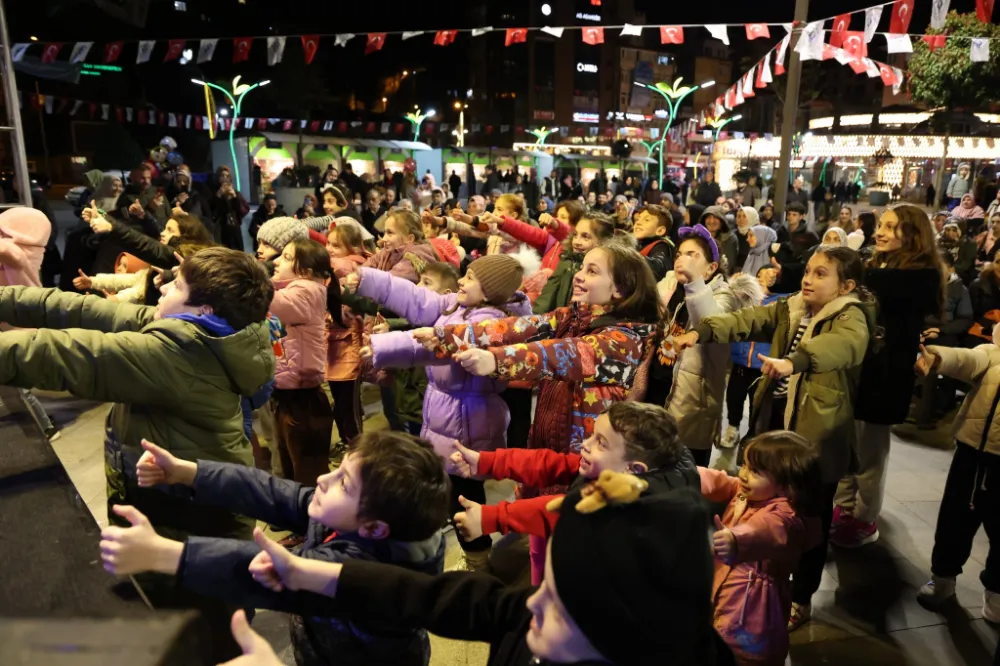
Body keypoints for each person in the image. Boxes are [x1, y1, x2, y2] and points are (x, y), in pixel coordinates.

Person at [0, 247, 274, 661]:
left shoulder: (176, 355)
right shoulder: (203, 329)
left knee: (204, 638)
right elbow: (77, 309)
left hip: (193, 525)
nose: (161, 288)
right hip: (184, 515)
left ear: (202, 308)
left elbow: (56, 353)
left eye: (175, 286)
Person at [413, 243, 660, 584]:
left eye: (592, 271)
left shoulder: (624, 339)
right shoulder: (573, 317)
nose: (579, 275)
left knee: (570, 545)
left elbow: (564, 354)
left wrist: (496, 361)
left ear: (620, 289)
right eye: (581, 267)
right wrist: (444, 335)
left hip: (583, 462)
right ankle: (536, 592)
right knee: (539, 535)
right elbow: (512, 329)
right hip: (550, 447)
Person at [99, 430, 450, 666]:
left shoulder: (370, 573)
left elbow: (269, 572)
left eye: (342, 482)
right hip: (327, 646)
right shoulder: (369, 519)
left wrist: (164, 554)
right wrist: (189, 473)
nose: (322, 480)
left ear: (374, 528)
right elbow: (270, 491)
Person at [674, 246, 876, 631]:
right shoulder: (792, 307)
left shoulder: (852, 317)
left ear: (846, 285)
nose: (808, 279)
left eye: (821, 274)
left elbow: (841, 347)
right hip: (776, 428)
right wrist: (699, 332)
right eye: (808, 271)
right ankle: (756, 585)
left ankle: (801, 598)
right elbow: (746, 319)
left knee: (810, 521)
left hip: (817, 439)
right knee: (767, 512)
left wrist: (793, 361)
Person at [352, 254, 532, 570]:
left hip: (469, 420)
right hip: (447, 412)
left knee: (464, 497)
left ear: (489, 291)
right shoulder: (462, 306)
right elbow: (419, 299)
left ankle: (478, 560)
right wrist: (369, 279)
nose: (461, 281)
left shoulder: (488, 322)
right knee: (449, 492)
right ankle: (466, 552)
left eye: (471, 278)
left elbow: (438, 348)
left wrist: (385, 346)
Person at [448, 402, 699, 585]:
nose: (584, 445)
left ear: (633, 469)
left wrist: (491, 517)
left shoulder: (632, 508)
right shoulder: (628, 470)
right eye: (592, 436)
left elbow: (564, 512)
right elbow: (551, 463)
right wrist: (486, 462)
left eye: (600, 442)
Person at [834, 206, 945, 551]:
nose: (880, 232)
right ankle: (843, 508)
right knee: (845, 444)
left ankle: (864, 519)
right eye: (880, 225)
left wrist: (847, 268)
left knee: (870, 453)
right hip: (859, 370)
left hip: (885, 377)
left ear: (911, 234)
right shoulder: (878, 265)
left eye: (891, 227)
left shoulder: (919, 274)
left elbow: (877, 289)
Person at [700, 431, 822, 665]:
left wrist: (735, 539)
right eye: (745, 465)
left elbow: (766, 530)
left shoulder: (787, 516)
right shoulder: (752, 493)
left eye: (755, 471)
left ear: (787, 487)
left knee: (745, 654)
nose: (744, 475)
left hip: (754, 605)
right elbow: (722, 481)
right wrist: (686, 473)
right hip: (730, 590)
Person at [651, 225, 762, 464]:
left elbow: (711, 325)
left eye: (693, 255)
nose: (683, 259)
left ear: (711, 268)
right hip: (658, 392)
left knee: (685, 473)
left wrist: (693, 282)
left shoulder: (724, 295)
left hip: (690, 404)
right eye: (680, 254)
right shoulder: (671, 287)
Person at [914, 334, 1000, 623]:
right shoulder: (992, 353)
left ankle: (997, 592)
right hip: (971, 453)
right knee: (954, 518)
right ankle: (943, 578)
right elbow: (966, 359)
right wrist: (938, 358)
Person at [269, 239, 336, 492]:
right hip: (289, 392)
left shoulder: (306, 292)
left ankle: (315, 523)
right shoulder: (296, 290)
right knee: (291, 461)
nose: (276, 261)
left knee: (307, 469)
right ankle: (299, 520)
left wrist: (247, 279)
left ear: (306, 272)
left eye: (286, 257)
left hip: (302, 397)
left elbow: (271, 301)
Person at [723, 262, 782, 450]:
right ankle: (732, 429)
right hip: (740, 363)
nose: (762, 279)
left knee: (757, 405)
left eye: (768, 276)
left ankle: (753, 437)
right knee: (734, 398)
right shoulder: (744, 300)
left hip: (762, 366)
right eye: (759, 275)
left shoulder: (780, 301)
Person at [632, 204, 675, 281]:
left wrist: (627, 256)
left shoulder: (662, 246)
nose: (638, 223)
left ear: (660, 231)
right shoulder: (634, 243)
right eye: (638, 219)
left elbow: (659, 266)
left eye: (647, 220)